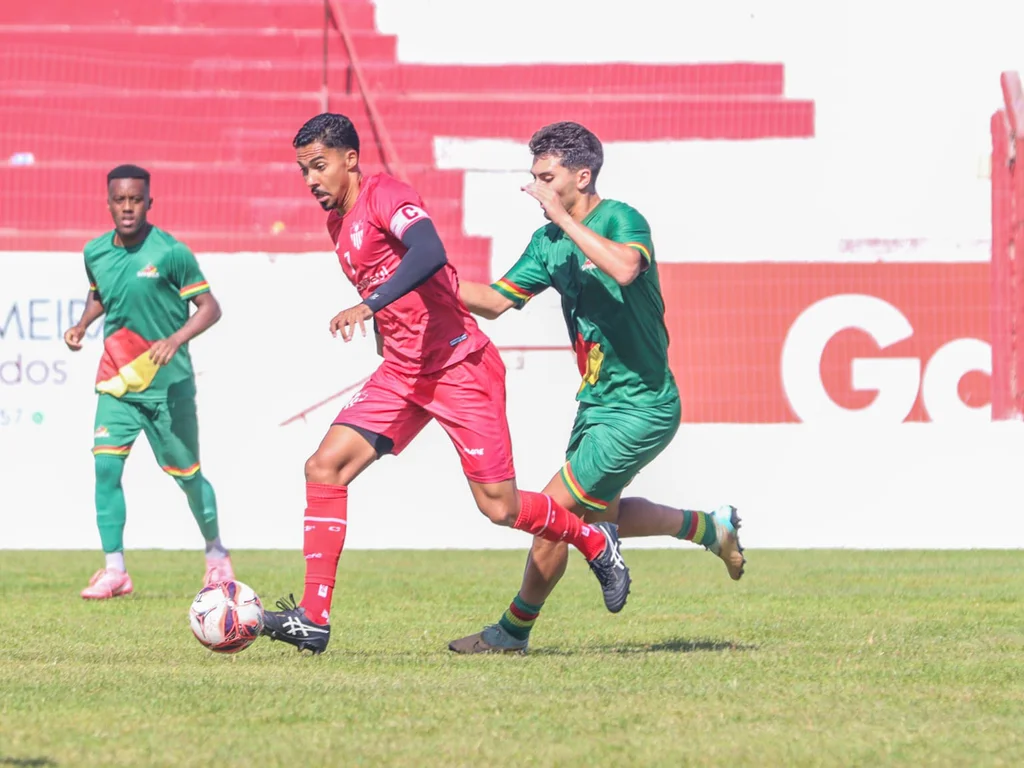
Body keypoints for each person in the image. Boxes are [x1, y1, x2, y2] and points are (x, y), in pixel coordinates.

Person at [259, 114, 630, 655]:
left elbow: (430, 254)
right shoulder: (337, 226)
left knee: (500, 508)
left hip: (460, 367)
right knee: (324, 467)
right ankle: (314, 618)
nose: (312, 179)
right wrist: (385, 336)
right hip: (403, 373)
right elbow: (396, 296)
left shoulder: (387, 195)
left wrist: (369, 305)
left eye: (320, 166)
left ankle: (594, 538)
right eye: (303, 171)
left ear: (350, 161)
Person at [448, 122, 745, 655]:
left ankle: (511, 633)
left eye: (547, 176)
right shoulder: (547, 243)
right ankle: (710, 528)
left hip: (645, 405)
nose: (535, 188)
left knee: (552, 516)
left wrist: (563, 217)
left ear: (582, 176)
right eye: (533, 176)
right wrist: (426, 281)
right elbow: (494, 301)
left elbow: (627, 269)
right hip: (595, 407)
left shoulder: (621, 219)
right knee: (594, 517)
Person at [63, 164, 232, 600]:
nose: (127, 208)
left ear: (148, 202)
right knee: (105, 467)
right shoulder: (95, 252)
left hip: (167, 387)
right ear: (109, 203)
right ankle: (114, 570)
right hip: (117, 380)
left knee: (188, 476)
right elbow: (100, 292)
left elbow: (210, 308)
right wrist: (82, 324)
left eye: (135, 200)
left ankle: (217, 557)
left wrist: (175, 339)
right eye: (119, 200)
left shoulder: (171, 252)